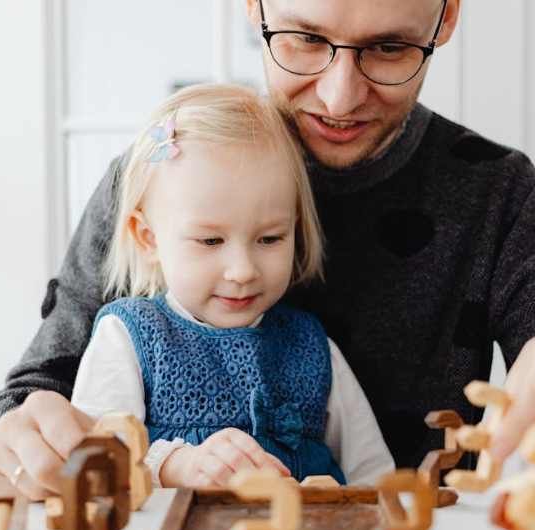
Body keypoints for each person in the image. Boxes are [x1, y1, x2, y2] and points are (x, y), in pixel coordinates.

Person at [0, 0, 535, 499]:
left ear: (446, 18)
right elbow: (32, 396)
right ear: (254, 7)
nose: (339, 97)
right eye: (305, 39)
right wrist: (24, 437)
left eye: (389, 48)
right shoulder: (160, 174)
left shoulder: (500, 194)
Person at [73, 83, 394, 490]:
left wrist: (346, 505)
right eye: (210, 241)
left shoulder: (312, 347)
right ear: (148, 239)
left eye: (270, 239)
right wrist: (174, 465)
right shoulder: (130, 337)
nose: (242, 271)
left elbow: (374, 474)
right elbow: (95, 462)